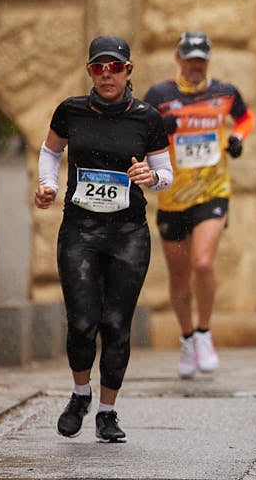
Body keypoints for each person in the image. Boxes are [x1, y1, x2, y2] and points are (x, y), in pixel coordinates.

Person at [34, 35, 175, 443]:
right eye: (99, 67)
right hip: (80, 230)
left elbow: (165, 175)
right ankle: (80, 395)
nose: (106, 74)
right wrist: (47, 185)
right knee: (82, 322)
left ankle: (107, 412)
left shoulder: (147, 118)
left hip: (128, 234)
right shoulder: (71, 111)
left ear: (129, 70)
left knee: (116, 324)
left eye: (115, 67)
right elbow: (50, 152)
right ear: (90, 72)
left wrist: (152, 178)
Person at [144, 31, 254, 379]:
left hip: (213, 190)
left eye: (201, 59)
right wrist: (161, 127)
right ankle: (188, 338)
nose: (195, 65)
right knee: (179, 277)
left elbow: (246, 118)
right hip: (173, 196)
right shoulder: (160, 95)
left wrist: (237, 137)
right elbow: (140, 131)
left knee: (203, 263)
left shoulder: (224, 92)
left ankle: (205, 333)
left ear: (208, 60)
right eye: (190, 58)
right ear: (178, 58)